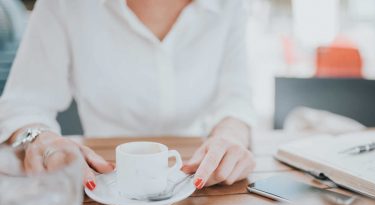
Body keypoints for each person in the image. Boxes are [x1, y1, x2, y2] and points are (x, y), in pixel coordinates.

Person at [0, 0, 256, 191]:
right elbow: (23, 105)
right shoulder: (64, 5)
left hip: (197, 185)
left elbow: (236, 99)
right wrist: (42, 140)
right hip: (99, 185)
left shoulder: (229, 6)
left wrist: (230, 138)